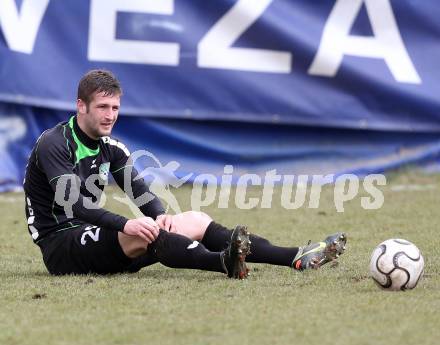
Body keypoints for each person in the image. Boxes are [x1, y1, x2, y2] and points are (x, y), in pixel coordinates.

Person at [23, 69, 347, 278]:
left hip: (96, 242)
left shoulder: (112, 147)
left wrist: (160, 215)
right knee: (141, 232)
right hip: (62, 245)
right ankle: (223, 262)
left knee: (193, 219)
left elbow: (142, 193)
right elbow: (76, 205)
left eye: (115, 108)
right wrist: (128, 223)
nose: (110, 116)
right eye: (102, 108)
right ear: (81, 106)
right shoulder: (54, 143)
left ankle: (295, 256)